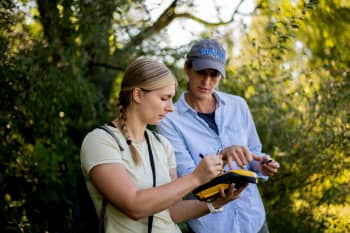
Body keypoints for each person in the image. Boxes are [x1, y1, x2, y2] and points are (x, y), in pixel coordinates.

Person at [80, 57, 245, 233]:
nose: (171, 107)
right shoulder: (100, 141)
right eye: (164, 98)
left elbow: (172, 212)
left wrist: (215, 202)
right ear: (137, 95)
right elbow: (134, 206)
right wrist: (196, 177)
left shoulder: (161, 144)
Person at [158, 39, 280, 233]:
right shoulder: (169, 120)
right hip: (211, 225)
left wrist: (262, 164)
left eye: (214, 75)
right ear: (187, 68)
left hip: (254, 221)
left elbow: (254, 153)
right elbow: (188, 177)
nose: (207, 82)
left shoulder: (238, 106)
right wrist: (222, 155)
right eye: (201, 73)